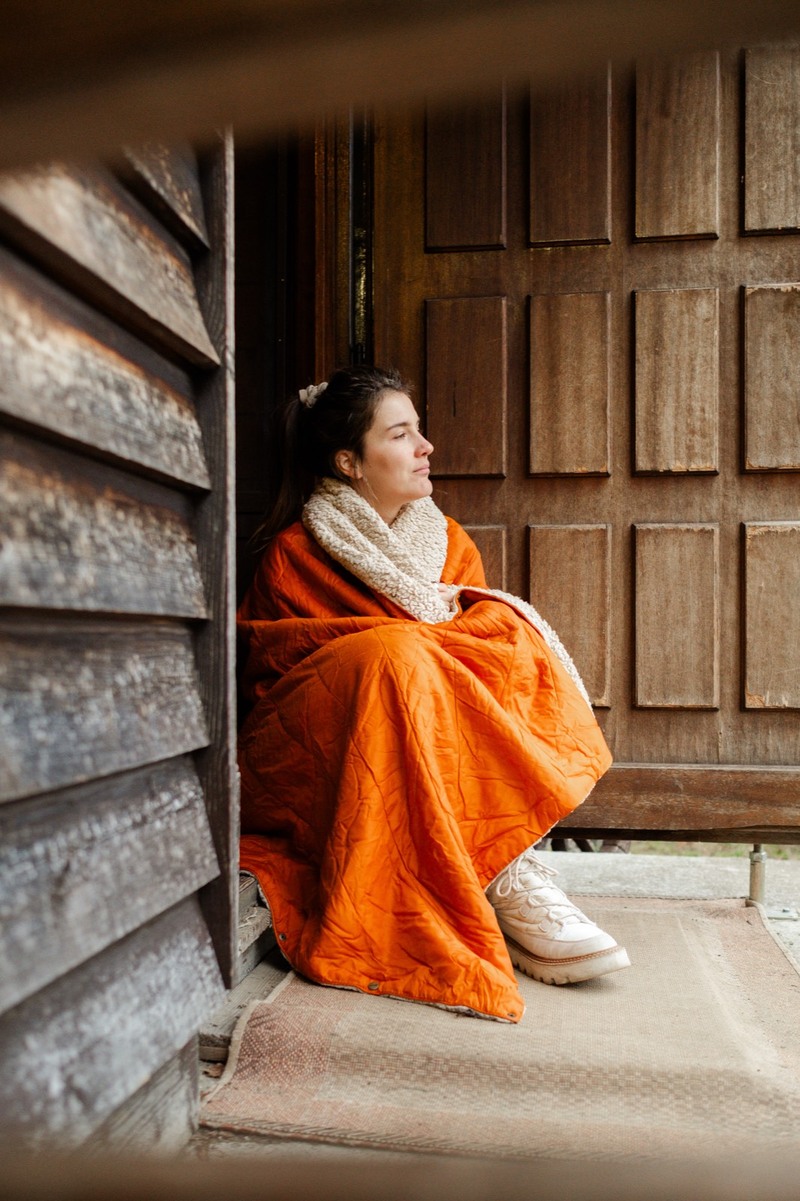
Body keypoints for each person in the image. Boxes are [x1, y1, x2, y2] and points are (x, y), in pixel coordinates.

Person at [237, 366, 630, 1023]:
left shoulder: (449, 543)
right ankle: (492, 876)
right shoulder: (294, 554)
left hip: (429, 732)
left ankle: (502, 865)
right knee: (396, 657)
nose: (426, 447)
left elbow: (472, 660)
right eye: (400, 434)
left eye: (418, 430)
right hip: (319, 756)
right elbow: (276, 671)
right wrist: (399, 650)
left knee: (491, 635)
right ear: (349, 462)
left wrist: (429, 649)